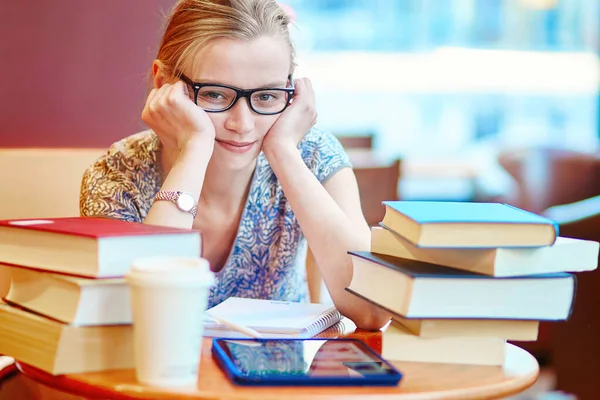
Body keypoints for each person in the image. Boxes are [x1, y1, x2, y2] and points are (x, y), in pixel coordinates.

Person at [80, 0, 390, 330]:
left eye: (267, 96)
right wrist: (194, 150)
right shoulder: (117, 176)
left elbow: (372, 311)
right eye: (214, 94)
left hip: (280, 376)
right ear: (163, 84)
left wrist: (284, 152)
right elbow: (134, 318)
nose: (242, 124)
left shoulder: (313, 155)